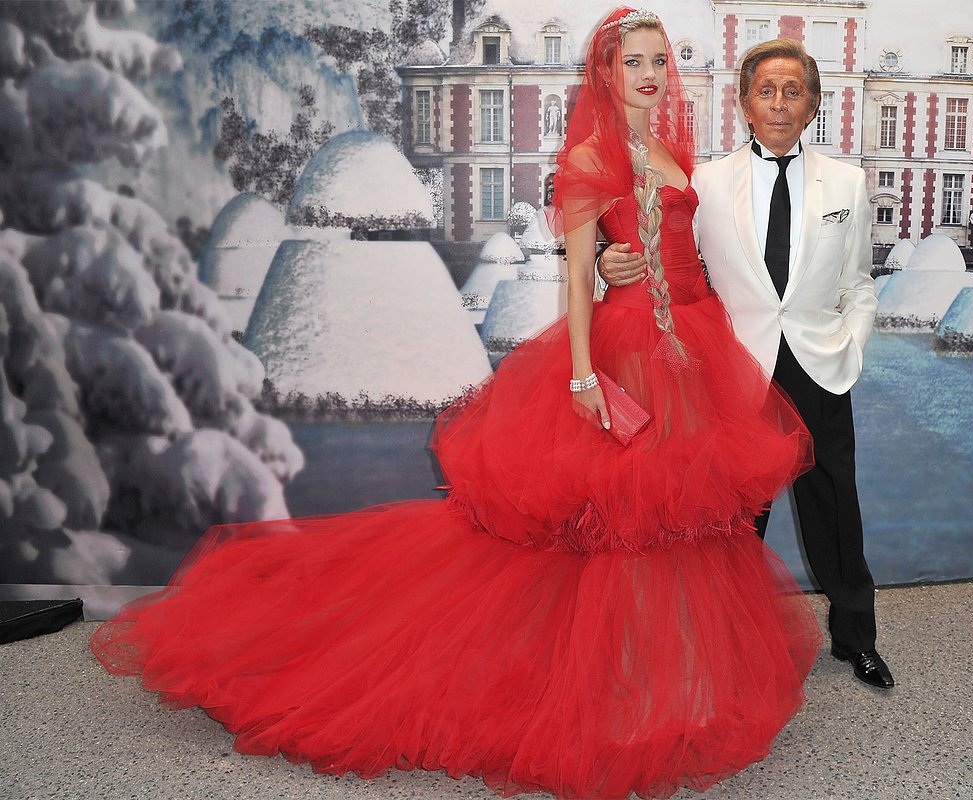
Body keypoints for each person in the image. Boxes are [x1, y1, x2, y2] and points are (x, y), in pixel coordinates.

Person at [91, 9, 823, 799]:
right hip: (626, 355)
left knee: (682, 521)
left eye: (656, 61)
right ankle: (619, 687)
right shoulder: (587, 157)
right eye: (632, 62)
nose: (648, 75)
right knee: (620, 526)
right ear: (606, 74)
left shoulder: (677, 154)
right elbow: (578, 280)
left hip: (690, 348)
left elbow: (687, 249)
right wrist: (583, 376)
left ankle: (678, 674)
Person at [601, 37, 894, 689]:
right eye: (766, 91)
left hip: (820, 367)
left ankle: (855, 638)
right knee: (735, 517)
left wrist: (851, 345)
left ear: (813, 105)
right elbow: (665, 255)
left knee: (835, 507)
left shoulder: (848, 183)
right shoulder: (705, 182)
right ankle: (727, 640)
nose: (779, 103)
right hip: (735, 372)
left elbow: (859, 284)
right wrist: (604, 260)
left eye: (793, 91)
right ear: (744, 103)